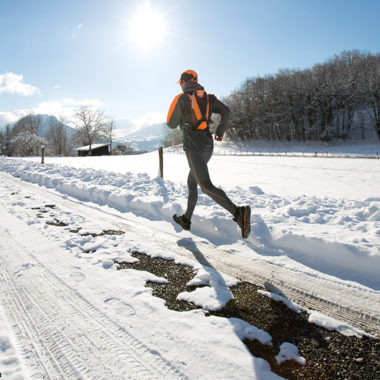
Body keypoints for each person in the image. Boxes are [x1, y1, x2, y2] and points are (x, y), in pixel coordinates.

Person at [166, 69, 251, 239]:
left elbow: (170, 123)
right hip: (208, 146)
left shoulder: (182, 98)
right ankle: (186, 219)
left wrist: (182, 121)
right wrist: (220, 131)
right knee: (192, 182)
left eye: (181, 83)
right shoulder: (208, 97)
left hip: (193, 148)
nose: (181, 85)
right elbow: (226, 111)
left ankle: (239, 212)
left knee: (204, 186)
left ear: (183, 82)